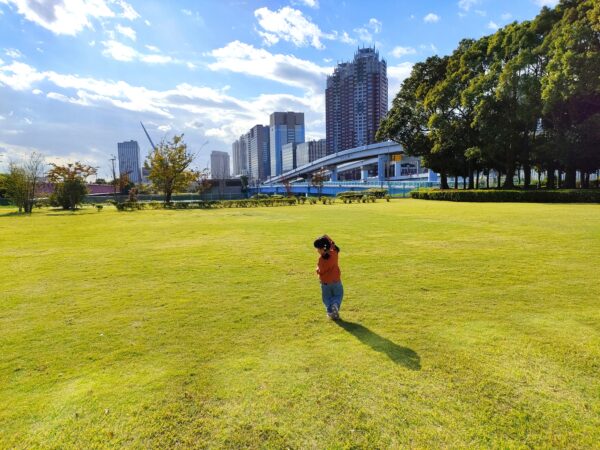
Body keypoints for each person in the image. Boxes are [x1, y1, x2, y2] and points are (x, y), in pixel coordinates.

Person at [313, 235, 343, 320]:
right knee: (338, 295)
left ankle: (330, 312)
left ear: (322, 249)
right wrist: (327, 237)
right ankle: (335, 305)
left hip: (325, 283)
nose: (317, 250)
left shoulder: (321, 260)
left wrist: (317, 269)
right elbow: (334, 245)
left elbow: (320, 271)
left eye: (317, 249)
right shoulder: (334, 253)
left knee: (326, 299)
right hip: (336, 281)